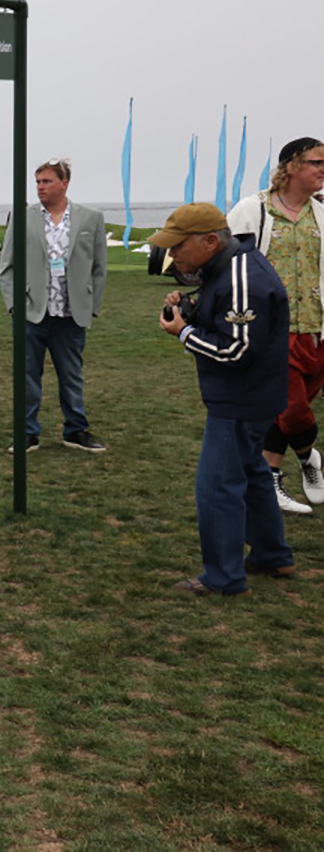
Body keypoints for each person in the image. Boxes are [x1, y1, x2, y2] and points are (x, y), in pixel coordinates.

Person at [153, 202, 295, 596]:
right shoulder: (232, 267)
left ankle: (224, 577)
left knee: (217, 487)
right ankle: (272, 555)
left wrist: (183, 333)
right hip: (254, 398)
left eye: (178, 247)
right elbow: (225, 320)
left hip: (239, 401)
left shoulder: (242, 277)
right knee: (252, 475)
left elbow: (237, 352)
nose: (173, 255)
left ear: (211, 241)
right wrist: (191, 310)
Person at [226, 136, 324, 515]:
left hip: (315, 329)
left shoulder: (320, 214)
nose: (322, 170)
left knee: (282, 411)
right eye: (316, 162)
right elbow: (227, 261)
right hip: (270, 331)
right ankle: (308, 458)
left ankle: (270, 475)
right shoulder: (254, 210)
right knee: (292, 408)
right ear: (291, 166)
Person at [0, 159, 108, 452]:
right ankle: (27, 432)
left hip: (72, 315)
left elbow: (99, 268)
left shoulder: (90, 218)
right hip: (32, 312)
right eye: (37, 182)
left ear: (64, 183)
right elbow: (6, 266)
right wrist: (14, 306)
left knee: (71, 375)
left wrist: (91, 306)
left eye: (46, 181)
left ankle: (75, 430)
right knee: (27, 375)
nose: (40, 187)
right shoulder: (23, 217)